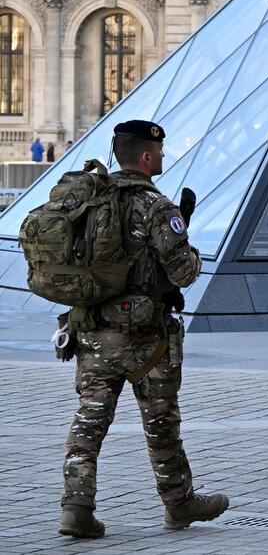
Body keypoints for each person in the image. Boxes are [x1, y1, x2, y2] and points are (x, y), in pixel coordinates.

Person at [58, 120, 228, 538]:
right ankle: (179, 503)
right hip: (146, 338)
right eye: (161, 151)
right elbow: (183, 272)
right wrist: (192, 251)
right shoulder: (157, 206)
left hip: (94, 329)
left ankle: (76, 508)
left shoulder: (91, 199)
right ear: (148, 156)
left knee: (88, 422)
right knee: (160, 421)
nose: (164, 157)